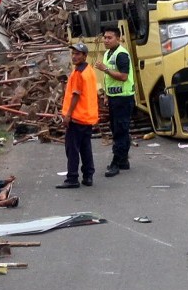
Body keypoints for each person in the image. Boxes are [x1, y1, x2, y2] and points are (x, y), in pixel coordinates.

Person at [56, 43, 99, 189]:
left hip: (77, 117)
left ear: (85, 56)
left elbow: (75, 95)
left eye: (78, 54)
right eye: (73, 53)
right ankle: (88, 176)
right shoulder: (89, 70)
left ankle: (72, 178)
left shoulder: (79, 73)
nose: (74, 56)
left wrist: (68, 115)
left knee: (72, 148)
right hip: (88, 117)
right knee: (85, 147)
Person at [93, 25, 134, 177]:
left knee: (120, 131)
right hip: (114, 98)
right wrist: (106, 96)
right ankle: (123, 161)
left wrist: (105, 69)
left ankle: (116, 163)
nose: (106, 40)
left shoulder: (121, 54)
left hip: (123, 98)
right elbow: (108, 80)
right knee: (118, 129)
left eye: (110, 38)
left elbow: (123, 76)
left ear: (118, 38)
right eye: (105, 37)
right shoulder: (108, 54)